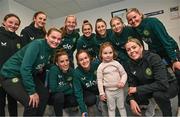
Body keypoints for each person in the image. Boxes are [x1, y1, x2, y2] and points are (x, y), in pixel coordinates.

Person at [126, 8, 180, 115]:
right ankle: (159, 100)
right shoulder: (137, 29)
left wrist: (174, 60)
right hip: (158, 53)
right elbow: (146, 44)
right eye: (130, 20)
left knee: (178, 76)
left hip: (170, 50)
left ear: (140, 15)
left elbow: (165, 41)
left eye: (134, 17)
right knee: (157, 78)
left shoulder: (153, 22)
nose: (133, 20)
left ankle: (179, 106)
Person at [0, 28, 62, 116]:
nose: (56, 41)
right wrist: (31, 92)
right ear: (47, 36)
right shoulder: (37, 44)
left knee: (44, 95)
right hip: (10, 75)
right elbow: (25, 68)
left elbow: (43, 63)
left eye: (59, 39)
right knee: (31, 102)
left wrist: (59, 66)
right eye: (53, 37)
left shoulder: (52, 49)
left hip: (26, 74)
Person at [125, 38, 178, 116]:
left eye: (134, 47)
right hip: (149, 86)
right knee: (128, 99)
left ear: (141, 47)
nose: (132, 51)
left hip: (168, 85)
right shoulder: (129, 64)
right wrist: (131, 100)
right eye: (128, 50)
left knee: (158, 95)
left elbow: (162, 84)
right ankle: (152, 102)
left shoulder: (153, 58)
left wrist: (138, 89)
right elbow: (131, 84)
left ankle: (167, 113)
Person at [97, 42, 127, 117]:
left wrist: (122, 82)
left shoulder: (116, 63)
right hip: (109, 92)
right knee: (111, 108)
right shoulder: (101, 67)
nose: (108, 55)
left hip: (119, 90)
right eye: (105, 53)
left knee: (121, 107)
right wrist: (101, 93)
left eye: (110, 52)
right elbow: (99, 81)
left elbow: (124, 74)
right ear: (101, 54)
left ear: (113, 53)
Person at [0, 13, 22, 116]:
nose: (13, 25)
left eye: (16, 24)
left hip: (13, 76)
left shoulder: (18, 39)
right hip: (0, 76)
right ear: (4, 22)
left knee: (13, 101)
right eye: (10, 22)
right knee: (1, 103)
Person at [46, 49, 78, 116]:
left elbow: (75, 88)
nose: (65, 63)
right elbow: (53, 89)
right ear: (57, 63)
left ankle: (62, 108)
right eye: (62, 61)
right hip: (54, 97)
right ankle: (57, 113)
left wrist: (63, 88)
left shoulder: (72, 71)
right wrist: (69, 86)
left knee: (74, 99)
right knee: (59, 96)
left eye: (67, 60)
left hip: (65, 96)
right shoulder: (53, 70)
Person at [73, 50, 100, 117]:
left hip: (99, 87)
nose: (84, 61)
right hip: (87, 90)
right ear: (78, 62)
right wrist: (83, 110)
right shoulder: (76, 73)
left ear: (89, 58)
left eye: (86, 58)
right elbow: (78, 92)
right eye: (81, 60)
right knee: (91, 100)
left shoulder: (96, 64)